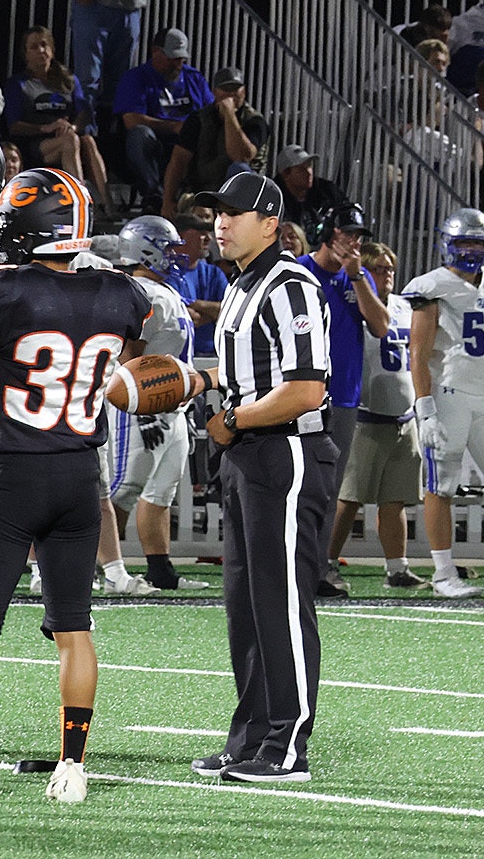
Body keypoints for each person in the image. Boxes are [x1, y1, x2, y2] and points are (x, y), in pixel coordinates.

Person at [0, 168, 149, 805]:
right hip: (80, 475)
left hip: (11, 473)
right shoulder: (120, 293)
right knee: (75, 627)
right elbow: (127, 360)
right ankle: (72, 769)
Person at [185, 171, 335, 784]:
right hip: (250, 454)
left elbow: (305, 389)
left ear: (271, 222)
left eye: (235, 213)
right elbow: (251, 369)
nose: (221, 223)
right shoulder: (245, 283)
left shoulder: (290, 282)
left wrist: (232, 420)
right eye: (217, 212)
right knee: (245, 605)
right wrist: (202, 383)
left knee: (280, 602)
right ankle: (250, 737)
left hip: (285, 454)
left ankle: (288, 745)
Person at [401, 209, 484, 600]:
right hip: (449, 394)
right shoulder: (431, 286)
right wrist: (424, 406)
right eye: (464, 242)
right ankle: (444, 573)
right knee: (441, 484)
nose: (472, 250)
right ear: (447, 243)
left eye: (478, 243)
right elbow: (418, 352)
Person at [107, 215, 207, 592]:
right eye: (167, 248)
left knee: (160, 490)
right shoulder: (142, 291)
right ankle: (103, 569)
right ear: (146, 249)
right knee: (119, 489)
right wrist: (141, 406)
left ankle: (160, 570)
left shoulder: (164, 291)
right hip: (141, 409)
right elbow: (128, 354)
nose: (174, 255)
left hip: (171, 408)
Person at [326, 242, 427, 589]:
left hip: (402, 416)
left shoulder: (404, 306)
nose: (387, 275)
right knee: (348, 499)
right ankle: (325, 563)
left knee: (394, 498)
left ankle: (396, 569)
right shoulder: (354, 306)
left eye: (390, 269)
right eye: (380, 269)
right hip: (365, 417)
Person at [297, 203, 386, 597]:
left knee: (328, 489)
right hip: (301, 392)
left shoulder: (358, 276)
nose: (353, 242)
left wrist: (358, 280)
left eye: (358, 235)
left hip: (344, 396)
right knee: (298, 484)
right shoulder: (298, 271)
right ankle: (291, 569)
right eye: (346, 233)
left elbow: (381, 326)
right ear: (326, 233)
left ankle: (315, 569)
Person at [49, 0, 217, 131]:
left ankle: (113, 137)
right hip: (93, 4)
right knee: (88, 79)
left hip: (129, 7)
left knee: (121, 82)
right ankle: (86, 137)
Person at [4, 25, 108, 203]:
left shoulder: (67, 80)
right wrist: (46, 128)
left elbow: (84, 112)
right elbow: (14, 125)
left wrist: (72, 126)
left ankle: (106, 203)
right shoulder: (18, 83)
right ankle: (80, 203)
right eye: (34, 47)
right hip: (37, 142)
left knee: (87, 140)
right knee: (71, 141)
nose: (41, 51)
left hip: (67, 135)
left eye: (45, 45)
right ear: (25, 54)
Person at [114, 26, 213, 211]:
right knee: (139, 135)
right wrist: (174, 127)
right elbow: (131, 120)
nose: (178, 64)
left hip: (189, 146)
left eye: (181, 59)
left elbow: (210, 112)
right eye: (172, 58)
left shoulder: (194, 78)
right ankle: (154, 194)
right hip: (157, 146)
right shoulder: (136, 78)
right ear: (155, 52)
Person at [160, 66, 269, 218]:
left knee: (240, 168)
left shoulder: (255, 121)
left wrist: (229, 114)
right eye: (225, 89)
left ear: (244, 91)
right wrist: (167, 201)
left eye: (235, 89)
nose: (231, 94)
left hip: (242, 196)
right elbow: (179, 160)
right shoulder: (198, 119)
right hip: (203, 189)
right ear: (215, 92)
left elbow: (241, 156)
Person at [167, 212, 227, 356]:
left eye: (209, 233)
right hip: (177, 356)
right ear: (180, 237)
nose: (209, 238)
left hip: (213, 355)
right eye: (201, 233)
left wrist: (194, 303)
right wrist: (212, 313)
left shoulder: (214, 273)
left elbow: (228, 310)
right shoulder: (165, 273)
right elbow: (184, 318)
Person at [273, 144, 349, 243]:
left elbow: (347, 215)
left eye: (309, 166)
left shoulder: (327, 191)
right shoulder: (273, 195)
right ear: (286, 174)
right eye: (301, 169)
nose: (308, 172)